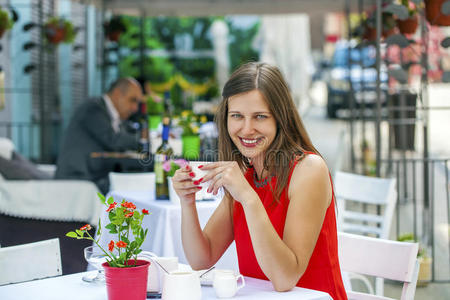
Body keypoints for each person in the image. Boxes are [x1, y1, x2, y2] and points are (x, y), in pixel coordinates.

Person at [172, 62, 347, 299]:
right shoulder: (247, 176)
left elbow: (285, 279)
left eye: (260, 117)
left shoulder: (308, 170)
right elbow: (202, 259)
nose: (247, 129)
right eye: (237, 116)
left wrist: (248, 197)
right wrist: (187, 201)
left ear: (280, 118)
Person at [55, 78, 143, 194]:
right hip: (78, 179)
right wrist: (145, 141)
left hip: (93, 176)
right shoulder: (92, 108)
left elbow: (123, 136)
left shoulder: (110, 114)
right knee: (132, 187)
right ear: (117, 94)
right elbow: (113, 140)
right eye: (132, 100)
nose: (135, 108)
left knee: (133, 184)